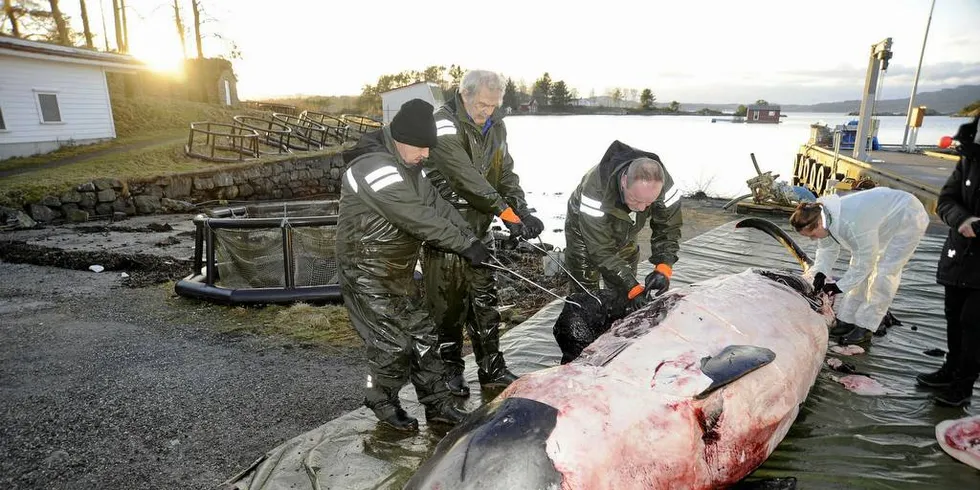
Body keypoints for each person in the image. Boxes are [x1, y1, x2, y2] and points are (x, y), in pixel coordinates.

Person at [336, 99, 489, 431]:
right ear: (401, 138)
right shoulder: (373, 167)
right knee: (392, 343)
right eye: (422, 147)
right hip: (365, 272)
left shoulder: (412, 169)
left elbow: (437, 206)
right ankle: (380, 399)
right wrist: (464, 245)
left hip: (399, 270)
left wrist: (472, 237)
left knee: (424, 336)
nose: (427, 154)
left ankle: (438, 406)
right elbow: (418, 219)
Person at [421, 69, 544, 397]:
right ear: (464, 94)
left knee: (485, 302)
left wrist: (521, 211)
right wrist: (503, 211)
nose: (486, 111)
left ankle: (492, 367)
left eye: (493, 105)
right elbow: (463, 176)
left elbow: (504, 172)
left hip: (479, 229)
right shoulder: (442, 122)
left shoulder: (497, 126)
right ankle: (450, 371)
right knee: (447, 308)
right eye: (481, 104)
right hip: (445, 230)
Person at [790, 186, 929, 346]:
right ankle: (847, 320)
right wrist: (820, 273)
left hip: (908, 216)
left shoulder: (850, 222)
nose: (813, 240)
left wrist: (838, 287)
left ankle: (866, 326)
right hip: (882, 218)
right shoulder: (824, 217)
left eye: (813, 236)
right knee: (858, 268)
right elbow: (827, 248)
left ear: (819, 224)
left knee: (883, 272)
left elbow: (865, 262)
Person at [563, 140, 682, 309]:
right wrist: (633, 287)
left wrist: (664, 266)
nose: (642, 208)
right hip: (586, 229)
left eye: (649, 203)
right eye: (636, 199)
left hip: (627, 225)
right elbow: (600, 249)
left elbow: (669, 227)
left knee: (623, 289)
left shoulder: (664, 187)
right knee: (585, 289)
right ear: (624, 181)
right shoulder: (595, 191)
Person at [915, 115, 980, 407]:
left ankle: (963, 385)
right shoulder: (968, 158)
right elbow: (945, 201)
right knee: (954, 316)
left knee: (974, 324)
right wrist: (962, 220)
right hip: (960, 253)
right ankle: (950, 370)